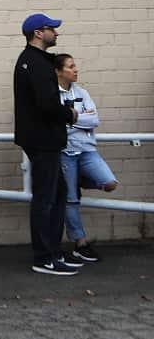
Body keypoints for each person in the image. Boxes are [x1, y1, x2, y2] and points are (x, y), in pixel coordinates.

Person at [13, 13, 80, 276]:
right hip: (43, 139)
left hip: (42, 138)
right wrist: (69, 114)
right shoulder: (35, 63)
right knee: (46, 197)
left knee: (58, 193)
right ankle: (44, 257)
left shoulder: (36, 60)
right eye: (51, 28)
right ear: (38, 33)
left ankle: (53, 251)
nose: (56, 32)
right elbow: (47, 103)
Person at [56, 53, 120, 264]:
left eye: (75, 65)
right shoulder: (52, 95)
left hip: (87, 151)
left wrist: (72, 118)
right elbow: (58, 122)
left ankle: (79, 180)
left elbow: (94, 120)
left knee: (109, 183)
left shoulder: (82, 92)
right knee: (71, 200)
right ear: (58, 71)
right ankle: (80, 243)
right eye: (71, 66)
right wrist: (78, 119)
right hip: (66, 153)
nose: (76, 69)